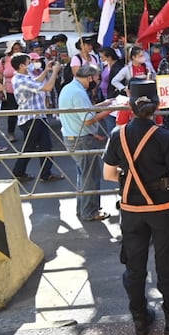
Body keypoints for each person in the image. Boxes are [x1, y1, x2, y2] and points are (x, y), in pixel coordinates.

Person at [102, 80, 169, 335]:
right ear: (157, 105)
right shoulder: (165, 137)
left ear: (129, 105)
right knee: (167, 263)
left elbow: (109, 174)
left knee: (134, 265)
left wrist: (132, 176)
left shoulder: (117, 134)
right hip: (164, 208)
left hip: (131, 209)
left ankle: (140, 320)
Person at [59, 64, 113, 222]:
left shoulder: (71, 88)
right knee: (90, 176)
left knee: (83, 175)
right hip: (80, 138)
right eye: (96, 78)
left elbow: (84, 110)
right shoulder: (77, 92)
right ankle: (90, 212)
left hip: (74, 136)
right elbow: (88, 119)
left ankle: (83, 209)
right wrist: (111, 110)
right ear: (89, 77)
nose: (96, 81)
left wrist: (104, 105)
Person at [10, 53, 65, 183]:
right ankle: (18, 172)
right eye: (29, 62)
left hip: (38, 117)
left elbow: (36, 82)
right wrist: (54, 72)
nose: (32, 64)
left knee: (45, 146)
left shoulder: (25, 77)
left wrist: (46, 70)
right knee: (30, 147)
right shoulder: (20, 80)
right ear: (22, 65)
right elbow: (47, 87)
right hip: (31, 119)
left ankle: (46, 174)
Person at [0, 40, 24, 142]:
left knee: (26, 112)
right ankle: (11, 132)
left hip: (23, 90)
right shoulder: (4, 60)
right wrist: (0, 90)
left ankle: (29, 134)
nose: (17, 51)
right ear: (11, 50)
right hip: (10, 90)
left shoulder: (25, 59)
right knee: (12, 113)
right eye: (15, 49)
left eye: (19, 48)